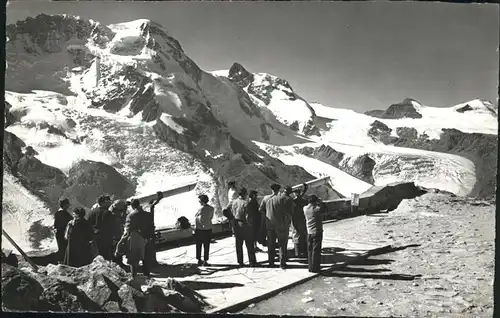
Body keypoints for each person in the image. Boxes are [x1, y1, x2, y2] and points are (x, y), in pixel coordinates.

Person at [116, 199, 154, 278]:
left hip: (135, 240)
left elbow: (127, 231)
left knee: (134, 262)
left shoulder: (131, 216)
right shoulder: (148, 215)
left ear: (132, 206)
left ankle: (134, 279)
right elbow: (152, 227)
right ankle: (148, 278)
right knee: (146, 261)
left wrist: (120, 243)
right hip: (147, 239)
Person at [265, 184, 293, 269]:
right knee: (282, 244)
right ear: (279, 190)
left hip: (270, 226)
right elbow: (287, 212)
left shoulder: (268, 200)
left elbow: (263, 211)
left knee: (271, 244)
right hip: (280, 225)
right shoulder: (281, 199)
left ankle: (271, 262)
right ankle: (282, 263)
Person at [230, 188, 257, 267]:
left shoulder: (234, 202)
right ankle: (252, 262)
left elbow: (228, 210)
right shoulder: (246, 203)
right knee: (249, 244)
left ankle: (240, 261)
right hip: (245, 224)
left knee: (239, 244)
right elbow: (248, 216)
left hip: (236, 224)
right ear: (245, 194)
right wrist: (251, 224)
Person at [86, 195, 114, 261]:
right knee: (106, 257)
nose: (109, 203)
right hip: (106, 238)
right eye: (108, 202)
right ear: (103, 202)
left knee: (96, 257)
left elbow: (88, 225)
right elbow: (112, 226)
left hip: (95, 238)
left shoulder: (91, 213)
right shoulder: (108, 213)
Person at [303, 195, 325, 273]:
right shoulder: (316, 209)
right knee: (316, 250)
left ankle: (310, 267)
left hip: (309, 232)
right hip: (317, 231)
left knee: (310, 250)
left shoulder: (305, 208)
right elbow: (325, 209)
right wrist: (321, 202)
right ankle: (315, 268)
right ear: (315, 201)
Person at [194, 194, 214, 266]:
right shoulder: (211, 208)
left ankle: (199, 259)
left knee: (199, 245)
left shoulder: (199, 209)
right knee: (206, 245)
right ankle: (205, 260)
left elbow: (196, 217)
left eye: (199, 200)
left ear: (202, 201)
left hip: (199, 229)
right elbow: (211, 217)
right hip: (208, 228)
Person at [109, 199, 129, 268]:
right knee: (116, 249)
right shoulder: (114, 217)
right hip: (115, 235)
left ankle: (119, 263)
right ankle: (117, 264)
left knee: (118, 249)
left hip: (117, 234)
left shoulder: (115, 214)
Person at [291, 183, 308, 258]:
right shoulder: (303, 201)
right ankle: (304, 251)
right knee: (303, 235)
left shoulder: (293, 201)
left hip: (295, 220)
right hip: (302, 219)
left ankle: (297, 252)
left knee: (296, 235)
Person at [53, 198, 73, 263]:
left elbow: (55, 225)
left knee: (61, 249)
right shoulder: (64, 214)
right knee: (64, 249)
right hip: (63, 234)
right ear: (65, 205)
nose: (68, 206)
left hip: (59, 234)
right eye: (67, 204)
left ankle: (61, 262)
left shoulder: (57, 213)